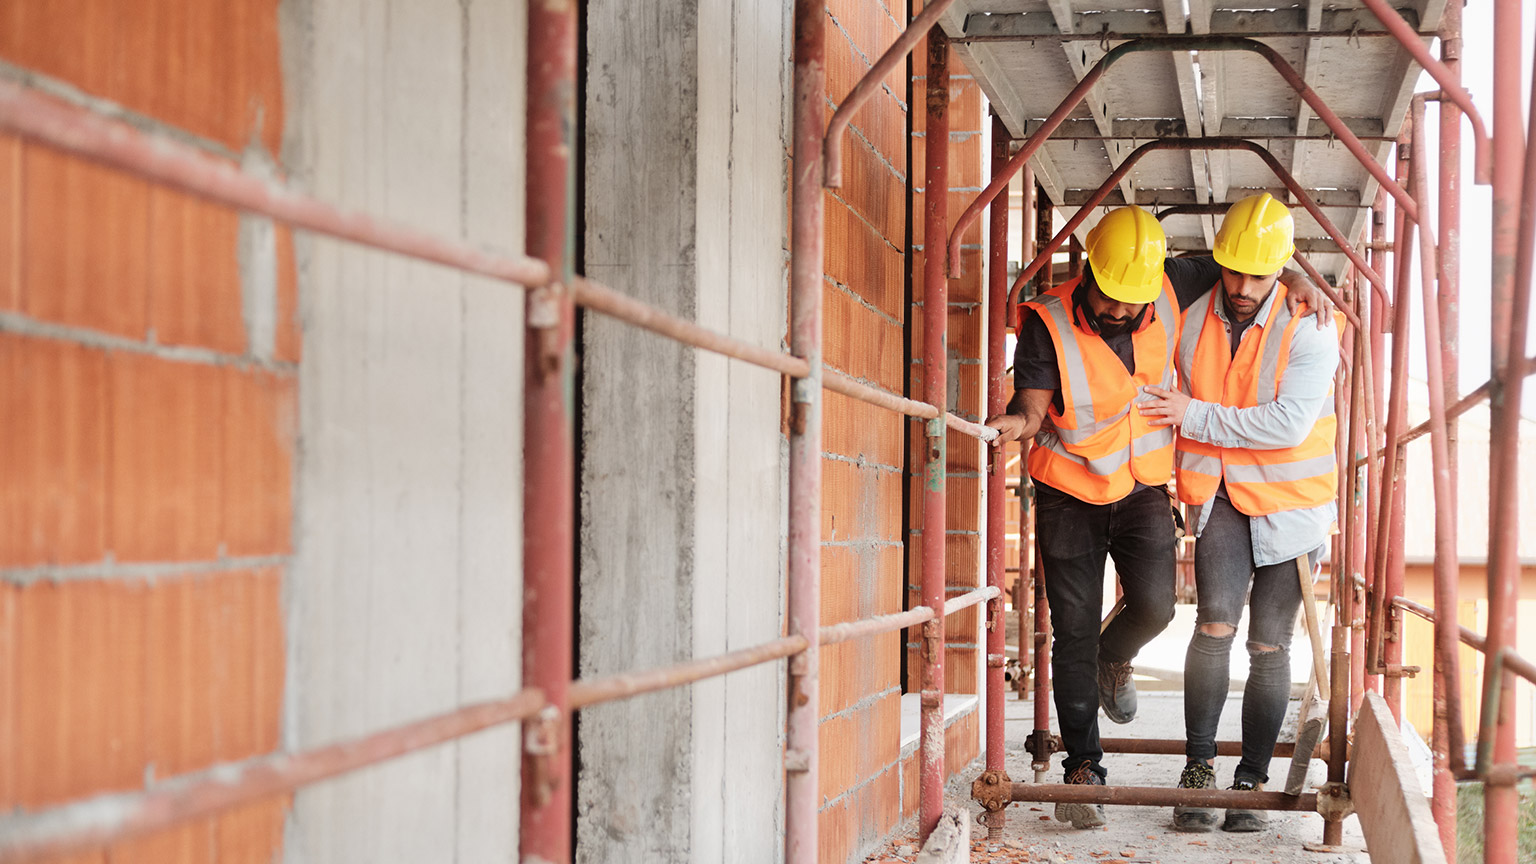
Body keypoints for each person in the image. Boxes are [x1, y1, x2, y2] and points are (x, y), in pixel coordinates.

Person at [1138, 192, 1339, 833]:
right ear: (1217, 260)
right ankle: (1198, 772)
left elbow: (1287, 423)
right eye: (1234, 271)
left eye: (1259, 274)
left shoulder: (1309, 324)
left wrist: (1191, 415)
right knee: (1215, 627)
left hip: (1292, 506)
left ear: (1282, 268)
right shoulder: (1192, 307)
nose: (1244, 286)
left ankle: (1249, 782)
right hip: (1222, 492)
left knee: (1269, 644)